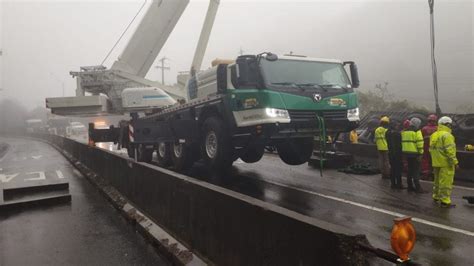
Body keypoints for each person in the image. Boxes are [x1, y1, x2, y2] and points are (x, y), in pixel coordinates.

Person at [430, 116, 458, 208]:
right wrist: (455, 162)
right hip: (446, 163)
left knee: (437, 181)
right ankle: (445, 201)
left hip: (436, 162)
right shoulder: (448, 135)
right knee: (446, 182)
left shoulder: (434, 135)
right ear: (447, 124)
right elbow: (450, 151)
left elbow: (431, 149)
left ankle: (436, 196)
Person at [401, 117, 424, 193]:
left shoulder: (405, 131)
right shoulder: (417, 131)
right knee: (416, 171)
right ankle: (418, 187)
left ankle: (409, 186)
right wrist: (420, 153)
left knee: (410, 170)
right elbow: (420, 143)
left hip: (407, 154)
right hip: (415, 154)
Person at [386, 120, 404, 189]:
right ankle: (399, 184)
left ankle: (393, 184)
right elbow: (400, 144)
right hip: (397, 153)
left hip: (390, 153)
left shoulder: (387, 133)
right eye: (396, 125)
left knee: (392, 169)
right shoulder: (397, 134)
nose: (397, 126)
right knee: (398, 169)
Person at [421, 114, 438, 179]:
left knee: (425, 161)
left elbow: (421, 138)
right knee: (434, 161)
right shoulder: (438, 129)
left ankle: (425, 175)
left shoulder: (424, 128)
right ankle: (433, 174)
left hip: (425, 148)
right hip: (434, 148)